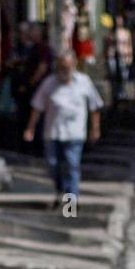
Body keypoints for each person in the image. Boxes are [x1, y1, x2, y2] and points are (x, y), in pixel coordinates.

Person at [25, 50, 103, 200]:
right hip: (53, 133)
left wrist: (95, 129)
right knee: (53, 165)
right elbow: (37, 107)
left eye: (66, 67)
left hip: (75, 134)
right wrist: (30, 128)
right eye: (61, 67)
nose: (64, 71)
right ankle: (61, 189)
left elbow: (95, 107)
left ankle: (70, 206)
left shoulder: (84, 81)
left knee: (72, 167)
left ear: (74, 65)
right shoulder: (49, 83)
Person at [106, 15, 134, 100]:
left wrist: (130, 56)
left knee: (123, 74)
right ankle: (115, 92)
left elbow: (129, 44)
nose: (119, 22)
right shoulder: (111, 33)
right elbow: (109, 45)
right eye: (117, 20)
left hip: (123, 55)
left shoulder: (126, 32)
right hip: (113, 56)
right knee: (113, 74)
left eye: (120, 20)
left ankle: (122, 92)